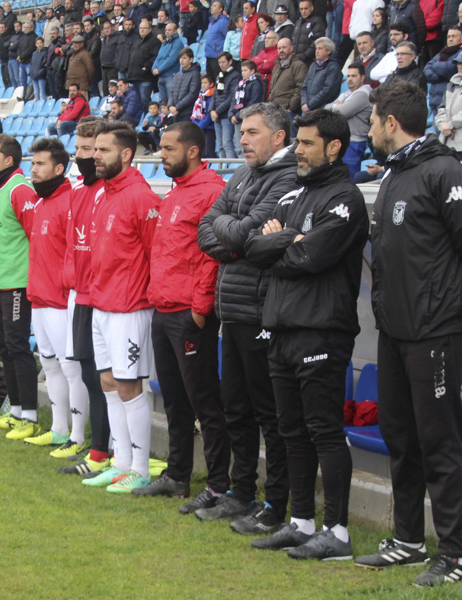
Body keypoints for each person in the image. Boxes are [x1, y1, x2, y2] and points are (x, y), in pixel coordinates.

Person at [355, 80, 462, 588]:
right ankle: (409, 541)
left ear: (391, 123)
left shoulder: (443, 170)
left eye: (372, 121)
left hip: (437, 328)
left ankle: (454, 554)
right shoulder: (398, 174)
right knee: (399, 432)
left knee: (439, 438)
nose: (369, 130)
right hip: (397, 327)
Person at [244, 109, 369, 561]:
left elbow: (311, 260)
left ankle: (337, 533)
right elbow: (253, 247)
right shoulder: (292, 192)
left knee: (324, 431)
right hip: (281, 329)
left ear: (334, 147)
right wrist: (289, 240)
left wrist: (287, 243)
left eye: (307, 143)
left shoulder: (345, 199)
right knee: (291, 430)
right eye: (296, 142)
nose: (298, 150)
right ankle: (301, 522)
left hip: (322, 332)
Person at [195, 101, 296, 530]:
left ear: (278, 137)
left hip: (260, 311)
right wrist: (237, 236)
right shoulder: (242, 173)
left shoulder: (288, 177)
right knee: (235, 407)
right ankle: (240, 492)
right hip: (231, 310)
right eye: (242, 132)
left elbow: (251, 234)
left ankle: (275, 504)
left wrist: (235, 234)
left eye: (252, 132)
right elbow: (208, 228)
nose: (242, 139)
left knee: (268, 413)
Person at [134, 121, 230, 501]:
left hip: (190, 313)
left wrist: (201, 308)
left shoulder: (212, 192)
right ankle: (177, 476)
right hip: (164, 307)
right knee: (174, 399)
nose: (162, 154)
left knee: (205, 401)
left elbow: (211, 255)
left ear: (192, 151)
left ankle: (219, 485)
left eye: (169, 148)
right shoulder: (174, 195)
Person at [80, 121, 161, 494]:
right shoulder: (103, 194)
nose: (95, 156)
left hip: (130, 307)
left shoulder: (141, 197)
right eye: (95, 149)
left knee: (129, 387)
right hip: (102, 303)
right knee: (109, 384)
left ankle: (141, 469)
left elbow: (154, 253)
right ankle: (121, 463)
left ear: (126, 155)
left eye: (104, 150)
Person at [52, 117, 115, 476]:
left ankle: (106, 453)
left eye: (87, 150)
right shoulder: (79, 190)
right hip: (80, 293)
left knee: (104, 376)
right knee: (90, 375)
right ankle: (98, 449)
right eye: (77, 149)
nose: (80, 156)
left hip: (103, 295)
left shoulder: (109, 190)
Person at [23, 136, 91, 454]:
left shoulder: (71, 201)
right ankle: (58, 429)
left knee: (70, 367)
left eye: (39, 164)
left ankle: (77, 437)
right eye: (32, 163)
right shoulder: (40, 201)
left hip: (61, 300)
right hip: (39, 296)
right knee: (49, 365)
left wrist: (65, 290)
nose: (33, 169)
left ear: (59, 168)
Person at [0, 133, 42, 437]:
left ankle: (29, 415)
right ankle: (15, 411)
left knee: (17, 346)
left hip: (15, 282)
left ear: (9, 159)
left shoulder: (20, 189)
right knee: (3, 345)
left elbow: (37, 237)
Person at [326, 64, 374, 177]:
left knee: (349, 177)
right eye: (348, 76)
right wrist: (337, 106)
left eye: (354, 76)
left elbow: (343, 112)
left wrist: (337, 106)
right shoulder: (347, 94)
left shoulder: (363, 94)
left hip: (356, 143)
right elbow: (326, 108)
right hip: (345, 141)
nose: (350, 79)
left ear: (362, 77)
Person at [424, 27, 462, 113]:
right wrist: (442, 75)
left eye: (453, 36)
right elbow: (426, 69)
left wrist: (436, 66)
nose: (450, 39)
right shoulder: (443, 52)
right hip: (435, 101)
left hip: (450, 104)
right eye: (448, 37)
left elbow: (450, 68)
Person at [231, 59, 266, 152]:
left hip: (248, 118)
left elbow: (253, 103)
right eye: (242, 70)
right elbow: (233, 100)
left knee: (246, 146)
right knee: (239, 147)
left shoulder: (256, 84)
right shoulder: (240, 84)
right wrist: (231, 114)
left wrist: (238, 116)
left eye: (245, 70)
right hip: (238, 118)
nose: (243, 73)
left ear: (252, 71)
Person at [300, 38, 341, 114]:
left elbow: (328, 91)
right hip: (308, 108)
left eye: (320, 48)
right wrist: (304, 103)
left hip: (322, 110)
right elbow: (304, 87)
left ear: (328, 51)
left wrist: (310, 105)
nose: (317, 51)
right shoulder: (313, 65)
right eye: (316, 48)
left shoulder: (333, 67)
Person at [269, 37, 307, 114]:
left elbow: (300, 88)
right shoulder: (276, 66)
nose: (281, 50)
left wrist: (290, 107)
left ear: (291, 48)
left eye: (284, 47)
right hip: (274, 109)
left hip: (288, 111)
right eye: (279, 48)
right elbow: (271, 87)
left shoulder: (298, 65)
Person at [126, 20, 161, 105]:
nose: (142, 30)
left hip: (145, 77)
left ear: (150, 29)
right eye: (140, 28)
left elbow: (156, 56)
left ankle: (146, 117)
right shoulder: (137, 41)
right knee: (136, 101)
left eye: (144, 28)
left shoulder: (154, 41)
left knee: (145, 100)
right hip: (134, 77)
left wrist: (146, 67)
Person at [153, 21, 186, 104]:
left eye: (169, 30)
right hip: (161, 76)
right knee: (162, 102)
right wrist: (153, 68)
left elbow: (171, 59)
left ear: (175, 31)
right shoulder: (164, 44)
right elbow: (158, 57)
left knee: (171, 101)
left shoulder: (178, 43)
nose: (167, 31)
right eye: (166, 30)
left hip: (171, 76)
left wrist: (159, 69)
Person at [168, 47, 202, 121]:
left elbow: (192, 94)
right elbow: (172, 92)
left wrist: (177, 107)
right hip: (175, 113)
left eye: (184, 58)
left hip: (187, 113)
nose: (181, 60)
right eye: (180, 58)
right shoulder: (178, 75)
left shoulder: (195, 74)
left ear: (191, 59)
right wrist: (170, 106)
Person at [192, 73, 218, 157]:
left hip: (209, 128)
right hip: (200, 128)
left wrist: (200, 126)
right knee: (201, 153)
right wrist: (195, 125)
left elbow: (208, 114)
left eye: (205, 83)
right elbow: (195, 113)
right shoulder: (201, 96)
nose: (203, 85)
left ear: (211, 84)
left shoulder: (212, 96)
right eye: (202, 83)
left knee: (209, 152)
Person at [207, 1, 231, 74]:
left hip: (217, 56)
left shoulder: (223, 21)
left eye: (214, 6)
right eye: (212, 5)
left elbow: (227, 37)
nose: (211, 7)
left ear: (220, 9)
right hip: (209, 55)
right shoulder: (211, 21)